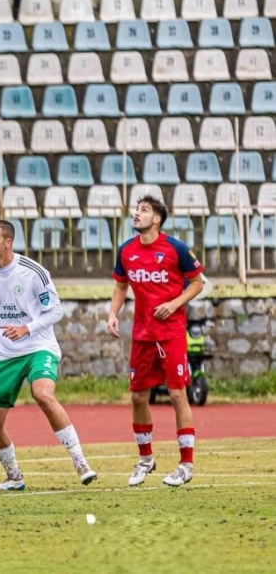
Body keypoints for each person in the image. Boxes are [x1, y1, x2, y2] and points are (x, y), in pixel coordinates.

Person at [0, 220, 97, 491]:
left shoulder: (33, 272)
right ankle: (14, 477)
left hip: (39, 346)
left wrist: (27, 328)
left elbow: (56, 311)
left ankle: (81, 463)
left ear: (8, 242)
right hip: (6, 354)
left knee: (43, 394)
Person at [107, 195, 204, 488]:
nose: (137, 214)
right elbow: (120, 286)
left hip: (171, 332)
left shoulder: (176, 249)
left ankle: (186, 464)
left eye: (144, 210)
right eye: (136, 209)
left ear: (157, 219)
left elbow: (198, 283)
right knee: (138, 396)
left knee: (177, 395)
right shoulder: (126, 250)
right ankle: (146, 459)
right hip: (142, 335)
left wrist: (175, 304)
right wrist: (113, 313)